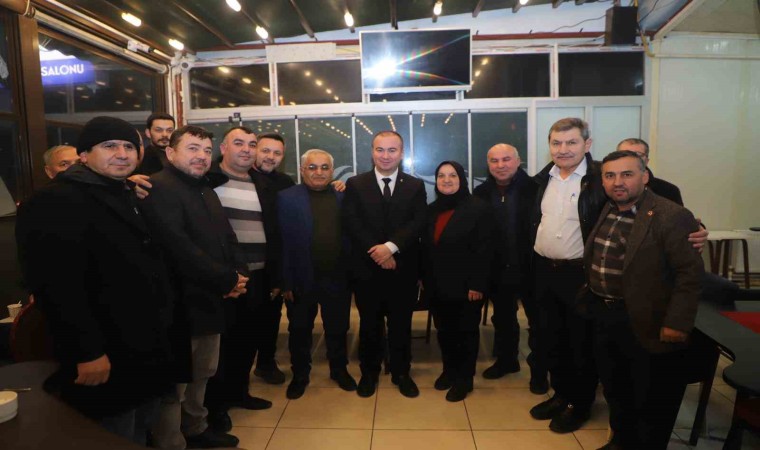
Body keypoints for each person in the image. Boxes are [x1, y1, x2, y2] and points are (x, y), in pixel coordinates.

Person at [16, 116, 175, 445]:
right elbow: (56, 287)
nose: (122, 154)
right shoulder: (55, 201)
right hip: (104, 353)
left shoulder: (125, 193)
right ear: (84, 155)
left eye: (129, 146)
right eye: (109, 146)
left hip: (144, 348)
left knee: (141, 430)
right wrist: (86, 352)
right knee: (109, 436)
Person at [586, 150, 703, 450]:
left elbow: (689, 274)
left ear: (645, 176)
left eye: (627, 174)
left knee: (650, 398)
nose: (618, 182)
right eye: (610, 176)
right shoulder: (607, 208)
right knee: (616, 388)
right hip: (606, 315)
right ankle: (620, 442)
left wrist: (677, 323)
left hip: (647, 321)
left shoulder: (670, 214)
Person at [141, 125, 247, 449]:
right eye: (192, 149)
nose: (201, 156)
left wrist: (238, 274)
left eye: (206, 150)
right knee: (176, 383)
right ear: (170, 152)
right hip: (177, 306)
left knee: (203, 372)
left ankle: (196, 429)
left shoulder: (205, 189)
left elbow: (227, 236)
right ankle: (171, 441)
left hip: (211, 299)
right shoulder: (158, 187)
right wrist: (226, 279)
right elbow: (178, 246)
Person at [204, 126, 278, 432]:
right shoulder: (206, 180)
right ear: (223, 148)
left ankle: (239, 392)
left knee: (248, 340)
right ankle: (216, 407)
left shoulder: (262, 183)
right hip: (224, 278)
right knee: (221, 346)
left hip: (258, 276)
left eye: (251, 144)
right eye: (239, 143)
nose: (247, 149)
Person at [342, 130, 427, 398]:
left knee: (401, 325)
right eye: (380, 149)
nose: (386, 155)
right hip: (366, 270)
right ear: (372, 152)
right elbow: (352, 222)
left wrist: (390, 248)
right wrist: (378, 252)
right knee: (370, 324)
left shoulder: (415, 185)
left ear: (401, 153)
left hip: (402, 270)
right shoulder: (355, 184)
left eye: (392, 150)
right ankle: (369, 373)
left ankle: (402, 373)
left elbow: (417, 222)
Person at [278, 149, 357, 399]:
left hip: (337, 277)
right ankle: (300, 375)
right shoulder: (286, 198)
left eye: (324, 167)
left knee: (338, 328)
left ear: (332, 171)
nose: (319, 172)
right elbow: (280, 243)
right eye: (312, 167)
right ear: (302, 170)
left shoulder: (344, 196)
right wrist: (285, 281)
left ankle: (339, 370)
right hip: (301, 279)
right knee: (300, 330)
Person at [472, 144, 546, 393]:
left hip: (531, 267)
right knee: (503, 319)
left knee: (538, 323)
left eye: (506, 159)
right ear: (488, 164)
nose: (500, 165)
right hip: (497, 269)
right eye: (494, 161)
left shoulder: (536, 189)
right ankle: (507, 361)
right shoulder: (481, 192)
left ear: (518, 161)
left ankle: (539, 373)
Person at [422, 161, 493, 402]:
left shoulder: (478, 208)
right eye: (441, 176)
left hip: (467, 287)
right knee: (444, 332)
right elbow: (427, 247)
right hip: (437, 284)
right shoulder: (432, 210)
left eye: (452, 175)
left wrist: (478, 284)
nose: (446, 180)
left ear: (461, 179)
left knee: (466, 333)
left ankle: (465, 379)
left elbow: (485, 250)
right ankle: (449, 370)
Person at [616, 138, 683, 205]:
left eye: (637, 155)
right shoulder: (610, 187)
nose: (630, 160)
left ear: (646, 161)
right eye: (625, 155)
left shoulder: (669, 191)